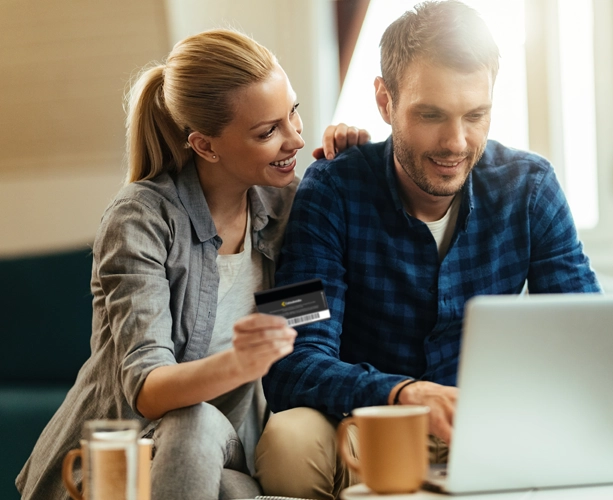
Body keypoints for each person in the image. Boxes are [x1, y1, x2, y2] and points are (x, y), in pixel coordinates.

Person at [255, 1, 602, 499]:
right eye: (431, 115)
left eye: (475, 115)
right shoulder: (329, 190)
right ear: (384, 101)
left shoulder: (531, 188)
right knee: (288, 442)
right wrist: (401, 393)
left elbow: (589, 338)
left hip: (489, 430)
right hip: (368, 431)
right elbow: (289, 361)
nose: (455, 142)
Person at [16, 29, 368, 500]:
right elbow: (148, 387)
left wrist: (349, 172)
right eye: (268, 131)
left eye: (294, 113)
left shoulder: (285, 208)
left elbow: (314, 316)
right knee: (197, 422)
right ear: (205, 146)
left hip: (224, 452)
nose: (296, 140)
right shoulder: (140, 218)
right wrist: (241, 362)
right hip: (121, 460)